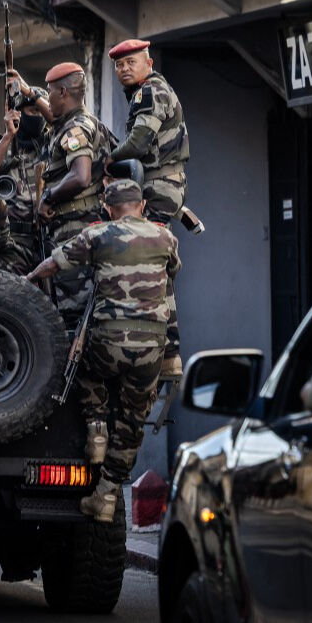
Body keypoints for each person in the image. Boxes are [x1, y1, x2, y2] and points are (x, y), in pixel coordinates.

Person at [25, 179, 180, 523]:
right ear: (141, 206)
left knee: (83, 367)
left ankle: (96, 428)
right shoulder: (166, 237)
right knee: (132, 420)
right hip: (151, 346)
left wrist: (27, 280)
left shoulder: (98, 235)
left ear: (109, 208)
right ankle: (106, 496)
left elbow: (54, 263)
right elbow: (172, 274)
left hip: (108, 339)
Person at [106, 38, 190, 379]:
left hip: (158, 187)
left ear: (148, 63)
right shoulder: (144, 93)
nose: (124, 68)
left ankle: (169, 350)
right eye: (119, 64)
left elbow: (139, 144)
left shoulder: (150, 92)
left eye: (131, 62)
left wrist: (106, 162)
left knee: (153, 266)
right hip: (158, 186)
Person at [37, 63, 111, 322]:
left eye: (50, 92)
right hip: (84, 223)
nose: (48, 97)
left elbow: (81, 176)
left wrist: (49, 196)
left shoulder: (75, 128)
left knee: (75, 310)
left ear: (63, 92)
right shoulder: (91, 123)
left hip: (75, 226)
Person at [0, 81, 52, 275]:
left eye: (39, 111)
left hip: (49, 237)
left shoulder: (53, 144)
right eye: (31, 112)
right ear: (18, 112)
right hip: (12, 241)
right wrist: (8, 136)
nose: (36, 117)